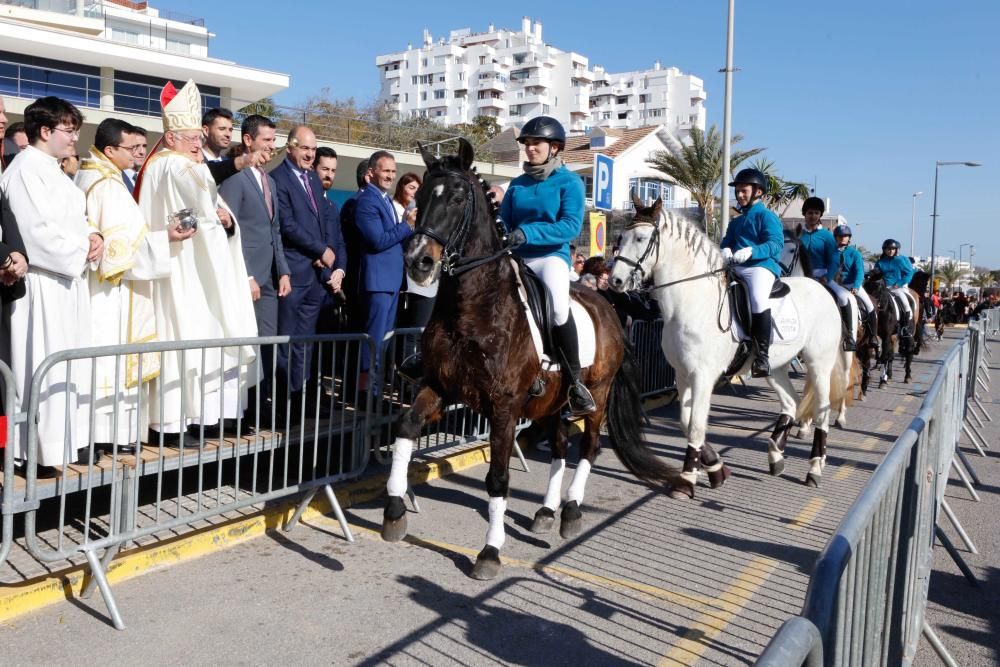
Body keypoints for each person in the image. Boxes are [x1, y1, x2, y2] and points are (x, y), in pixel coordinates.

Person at [136, 80, 258, 441]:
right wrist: (236, 164)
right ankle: (171, 424)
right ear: (171, 137)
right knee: (183, 338)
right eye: (190, 137)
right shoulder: (170, 165)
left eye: (195, 138)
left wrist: (227, 222)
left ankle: (197, 419)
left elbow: (212, 207)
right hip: (178, 269)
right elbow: (200, 192)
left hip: (197, 267)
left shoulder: (184, 165)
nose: (196, 144)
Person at [0, 96, 103, 468]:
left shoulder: (53, 170)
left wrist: (94, 236)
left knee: (63, 369)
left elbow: (74, 217)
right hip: (42, 286)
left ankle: (58, 447)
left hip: (66, 283)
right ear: (45, 131)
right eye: (69, 130)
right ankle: (32, 450)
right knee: (38, 367)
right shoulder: (26, 169)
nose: (75, 138)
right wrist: (80, 250)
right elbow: (35, 234)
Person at [76, 118, 174, 451]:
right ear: (110, 150)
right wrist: (166, 239)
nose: (137, 155)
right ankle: (104, 435)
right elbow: (122, 248)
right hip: (108, 291)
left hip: (112, 289)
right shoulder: (102, 184)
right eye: (131, 148)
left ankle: (108, 435)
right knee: (105, 362)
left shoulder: (102, 177)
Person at [501, 115, 595, 414]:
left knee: (556, 307)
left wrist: (526, 232)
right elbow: (505, 219)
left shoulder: (569, 182)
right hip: (516, 255)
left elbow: (569, 227)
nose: (529, 148)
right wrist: (502, 230)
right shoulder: (517, 184)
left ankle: (575, 381)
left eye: (535, 143)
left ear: (555, 147)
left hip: (550, 257)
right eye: (526, 143)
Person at [218, 114, 292, 419]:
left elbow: (274, 231)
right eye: (266, 140)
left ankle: (261, 408)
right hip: (246, 277)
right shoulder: (235, 179)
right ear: (248, 140)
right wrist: (246, 274)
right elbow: (230, 229)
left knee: (267, 345)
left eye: (274, 141)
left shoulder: (269, 181)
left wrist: (283, 270)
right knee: (246, 345)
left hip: (271, 278)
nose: (271, 147)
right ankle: (242, 411)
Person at [270, 126, 346, 403]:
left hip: (316, 276)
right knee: (286, 344)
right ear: (290, 148)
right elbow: (287, 225)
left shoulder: (312, 180)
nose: (310, 155)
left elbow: (323, 222)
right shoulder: (277, 178)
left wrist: (327, 256)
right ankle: (281, 404)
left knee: (305, 344)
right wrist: (319, 249)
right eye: (304, 148)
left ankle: (300, 400)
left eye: (313, 149)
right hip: (293, 273)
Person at [355, 150, 413, 392]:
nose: (390, 176)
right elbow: (377, 240)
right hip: (377, 283)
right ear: (372, 172)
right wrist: (407, 225)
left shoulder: (385, 200)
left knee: (383, 343)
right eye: (385, 170)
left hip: (391, 282)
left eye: (392, 171)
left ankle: (376, 391)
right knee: (373, 341)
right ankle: (367, 393)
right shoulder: (367, 200)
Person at [720, 167, 784, 378]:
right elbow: (726, 242)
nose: (739, 194)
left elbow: (776, 244)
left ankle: (762, 357)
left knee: (758, 298)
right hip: (736, 266)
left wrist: (752, 251)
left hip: (761, 266)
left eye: (743, 190)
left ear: (758, 191)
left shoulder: (767, 216)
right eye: (737, 191)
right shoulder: (736, 221)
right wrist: (725, 249)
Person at [800, 197, 855, 351]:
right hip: (800, 276)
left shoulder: (827, 236)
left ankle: (849, 335)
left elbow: (834, 260)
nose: (813, 216)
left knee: (844, 298)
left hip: (822, 275)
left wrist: (828, 277)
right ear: (805, 214)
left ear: (820, 215)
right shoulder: (799, 235)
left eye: (816, 213)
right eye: (810, 213)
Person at [394, 172, 436, 329]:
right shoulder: (419, 205)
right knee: (416, 330)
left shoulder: (425, 203)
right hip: (420, 280)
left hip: (426, 280)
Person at [833, 224, 877, 354]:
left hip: (851, 285)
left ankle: (873, 336)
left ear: (849, 238)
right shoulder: (829, 252)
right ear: (835, 237)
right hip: (834, 285)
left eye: (845, 236)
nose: (842, 238)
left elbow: (859, 272)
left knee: (870, 307)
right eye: (840, 236)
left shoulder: (855, 253)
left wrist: (856, 287)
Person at [874, 239, 915, 338]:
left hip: (897, 287)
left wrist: (899, 283)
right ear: (884, 250)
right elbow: (876, 273)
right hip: (883, 288)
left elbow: (909, 273)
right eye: (888, 249)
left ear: (896, 250)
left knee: (905, 304)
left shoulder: (901, 260)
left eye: (893, 249)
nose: (890, 251)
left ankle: (905, 327)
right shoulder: (880, 262)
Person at [120, 125, 147, 194]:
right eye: (136, 146)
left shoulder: (148, 180)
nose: (142, 152)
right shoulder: (115, 178)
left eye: (144, 146)